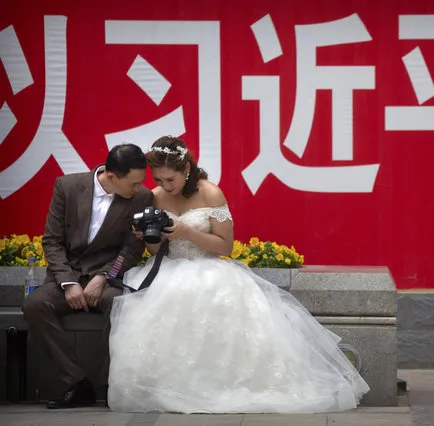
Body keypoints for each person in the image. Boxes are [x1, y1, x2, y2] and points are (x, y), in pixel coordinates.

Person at [108, 136, 370, 414]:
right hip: (166, 269)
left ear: (185, 170)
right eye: (158, 180)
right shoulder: (156, 196)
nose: (164, 186)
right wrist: (150, 236)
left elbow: (225, 247)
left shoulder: (210, 193)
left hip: (208, 268)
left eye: (169, 179)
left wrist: (187, 232)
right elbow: (156, 249)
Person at [23, 143, 153, 409]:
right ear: (111, 176)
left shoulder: (141, 198)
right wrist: (68, 282)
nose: (138, 188)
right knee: (35, 306)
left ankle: (111, 385)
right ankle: (76, 381)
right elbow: (52, 241)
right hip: (66, 276)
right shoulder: (67, 187)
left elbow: (131, 250)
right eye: (133, 183)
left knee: (120, 305)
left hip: (107, 278)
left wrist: (104, 276)